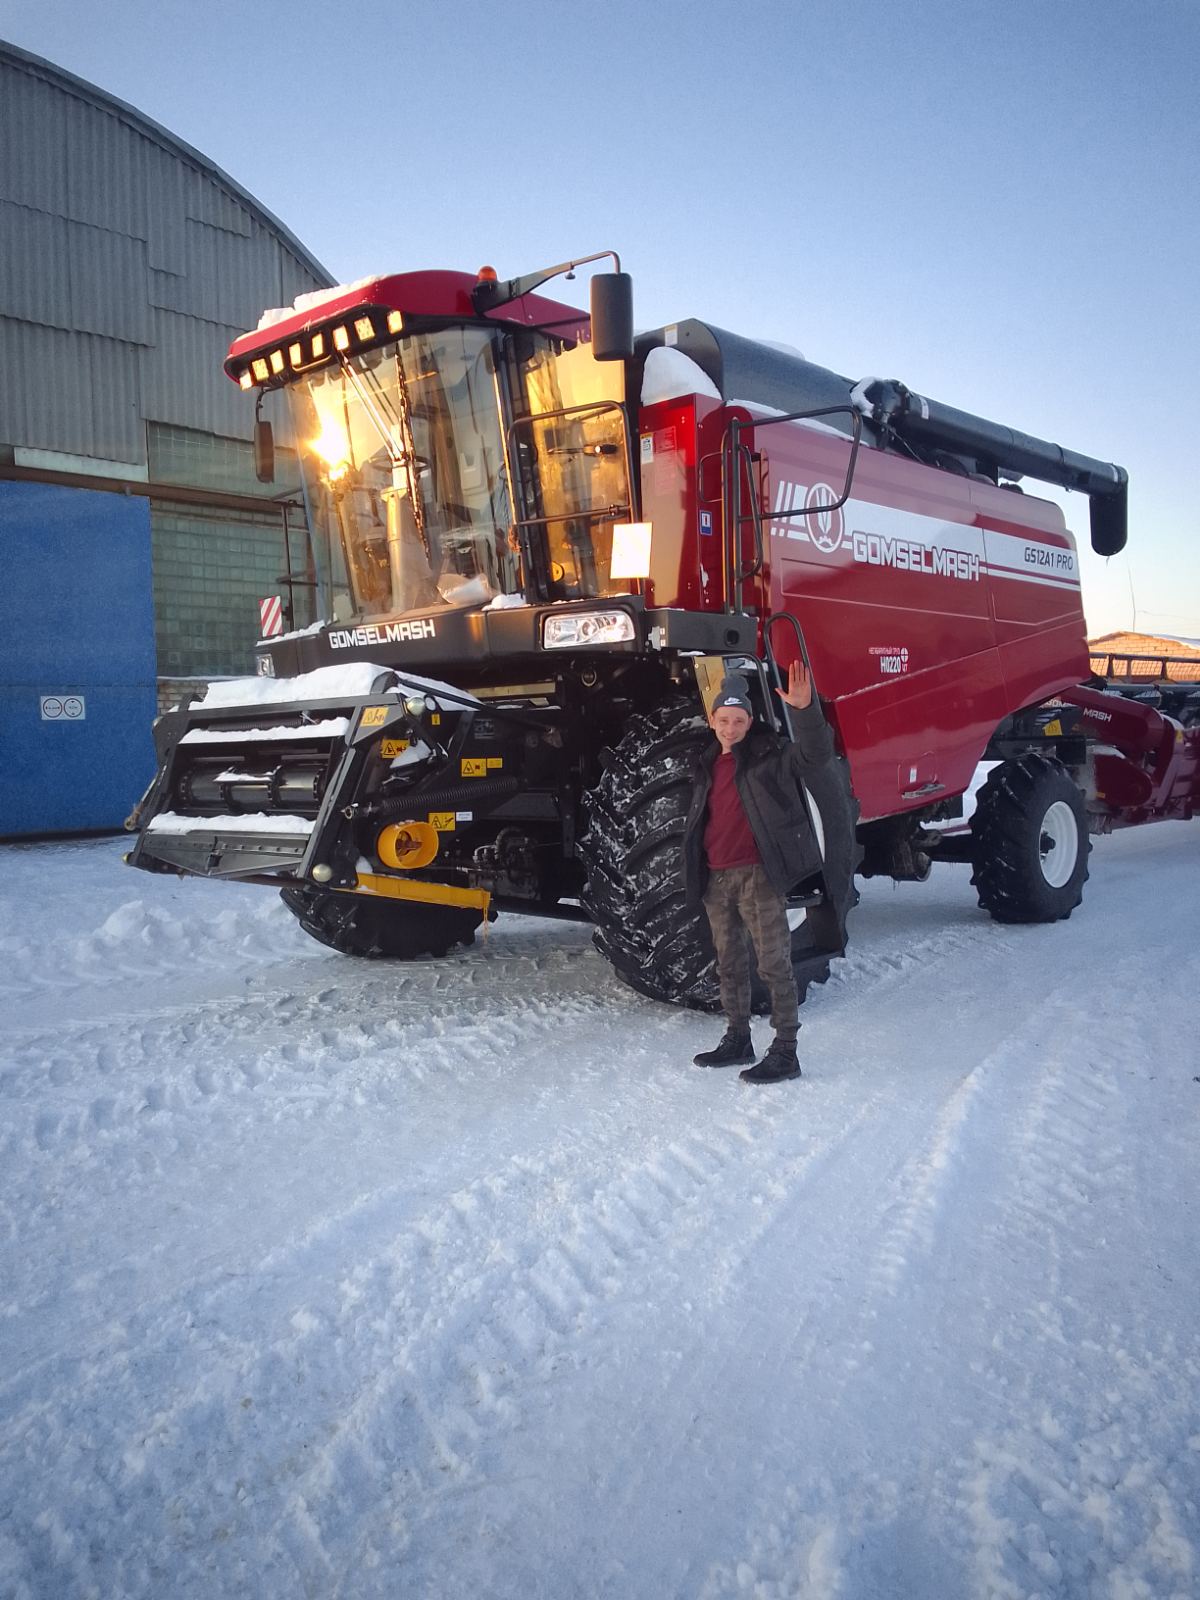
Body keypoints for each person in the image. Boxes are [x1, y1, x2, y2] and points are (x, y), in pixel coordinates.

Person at [682, 660, 835, 1083]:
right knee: (729, 963)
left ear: (750, 721)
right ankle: (738, 1038)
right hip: (717, 877)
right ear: (712, 721)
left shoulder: (771, 757)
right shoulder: (706, 764)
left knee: (772, 963)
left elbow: (816, 755)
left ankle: (786, 1050)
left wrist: (805, 712)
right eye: (723, 719)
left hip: (757, 876)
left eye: (739, 719)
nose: (731, 727)